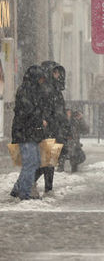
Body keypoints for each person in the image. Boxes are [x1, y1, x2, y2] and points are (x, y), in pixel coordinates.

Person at [10, 66, 47, 200]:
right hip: (25, 132)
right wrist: (40, 120)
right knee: (30, 162)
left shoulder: (33, 90)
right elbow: (27, 111)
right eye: (41, 78)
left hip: (28, 132)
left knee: (34, 161)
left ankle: (19, 188)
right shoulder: (26, 91)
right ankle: (24, 193)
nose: (42, 81)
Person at [35, 61, 68, 191]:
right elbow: (49, 110)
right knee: (47, 162)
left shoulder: (54, 89)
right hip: (49, 129)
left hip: (54, 128)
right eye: (55, 72)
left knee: (49, 161)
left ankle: (47, 187)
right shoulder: (47, 90)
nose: (58, 75)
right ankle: (24, 185)